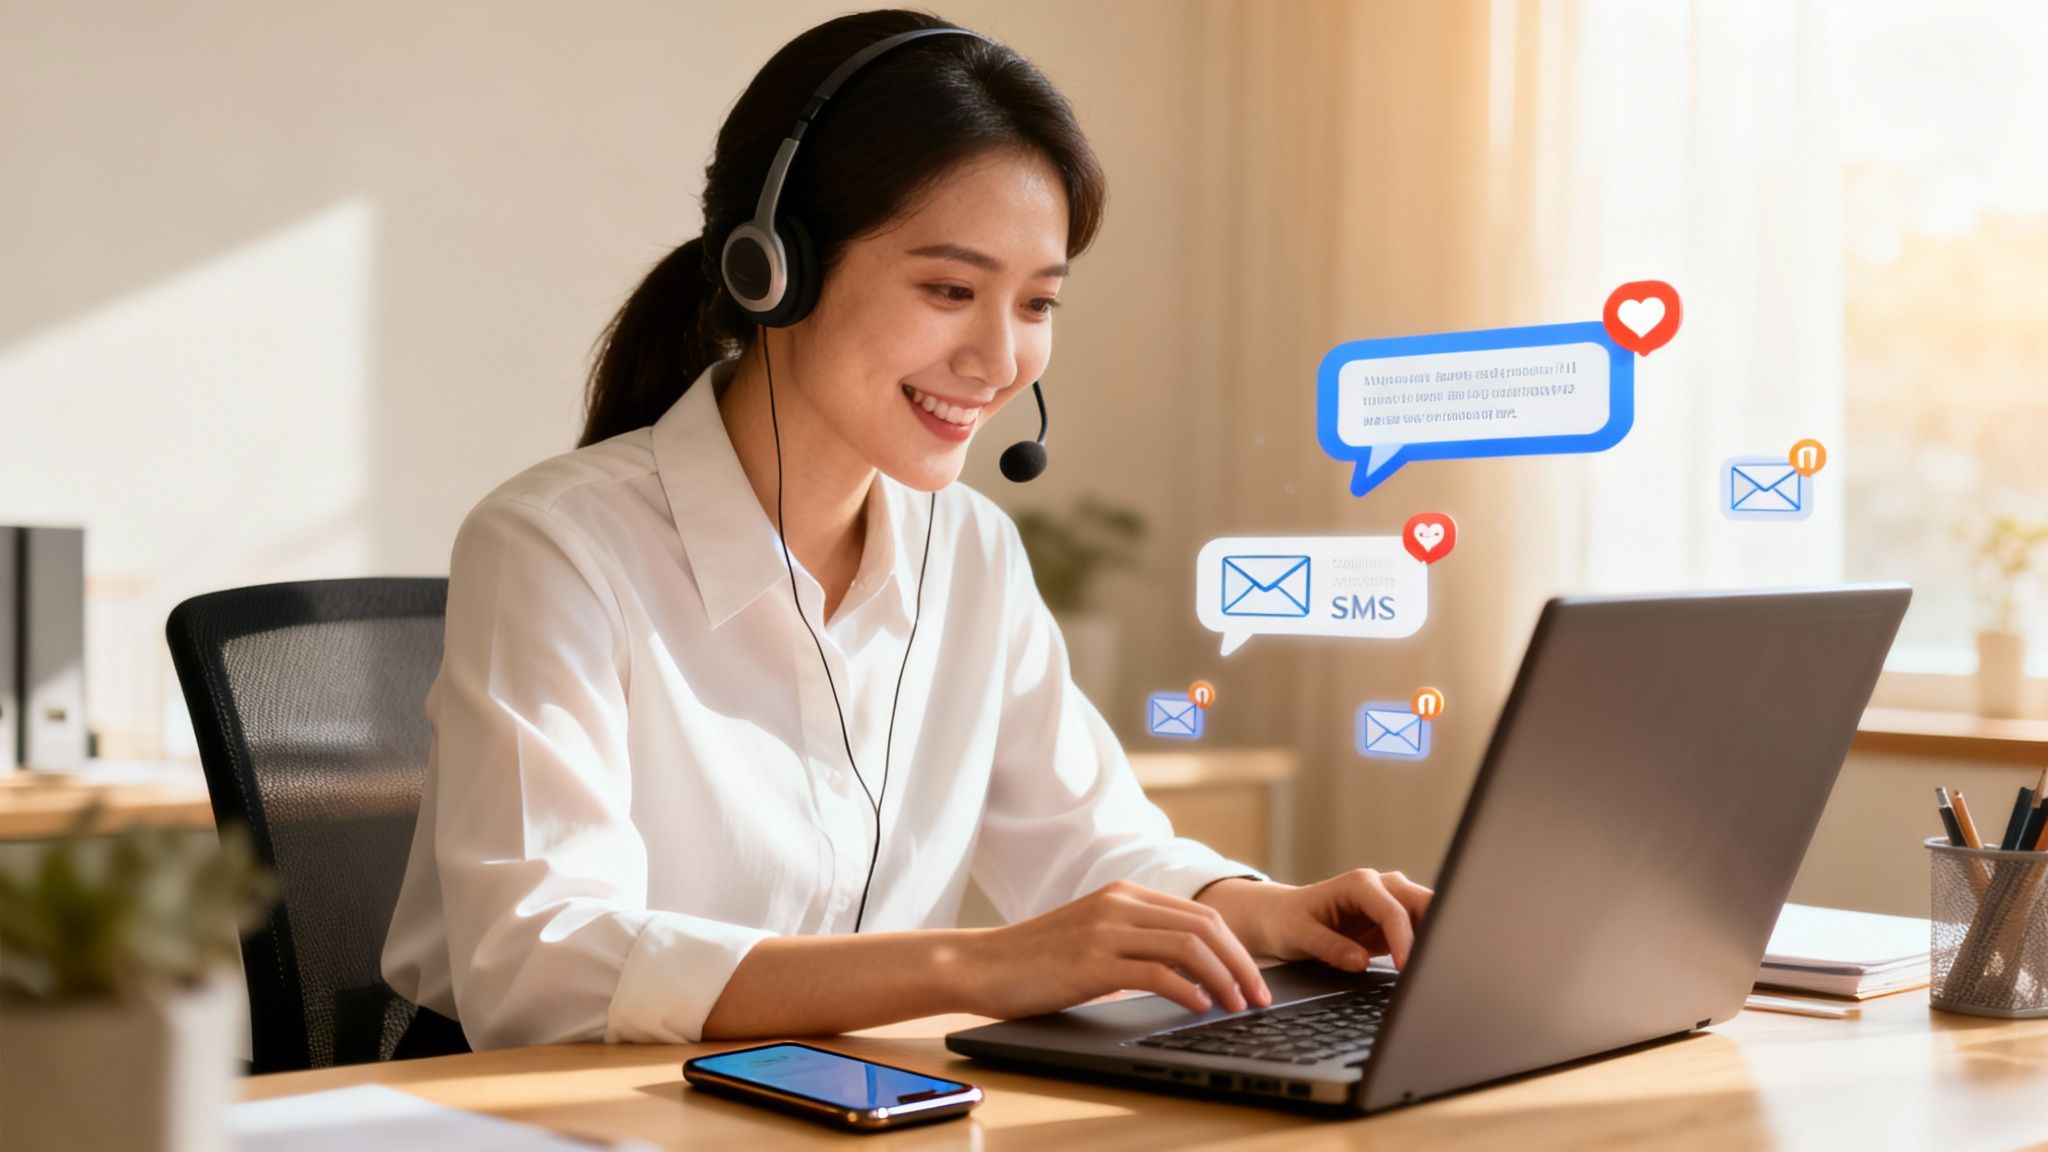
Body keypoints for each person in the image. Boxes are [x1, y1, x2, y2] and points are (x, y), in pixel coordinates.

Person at [382, 8, 1432, 1055]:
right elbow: (542, 966)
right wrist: (968, 967)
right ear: (773, 270)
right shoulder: (558, 548)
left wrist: (1269, 910)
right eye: (950, 289)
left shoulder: (969, 551)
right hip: (552, 1103)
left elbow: (1087, 847)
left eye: (1036, 304)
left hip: (833, 1094)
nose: (998, 360)